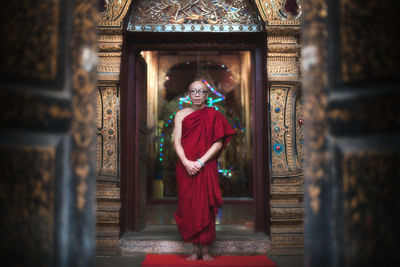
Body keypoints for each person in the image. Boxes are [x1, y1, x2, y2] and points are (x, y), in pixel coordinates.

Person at [173, 80, 235, 261]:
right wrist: (186, 162)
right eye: (194, 91)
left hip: (205, 166)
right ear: (189, 94)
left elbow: (218, 143)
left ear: (207, 95)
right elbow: (176, 141)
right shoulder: (181, 115)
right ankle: (194, 249)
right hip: (185, 167)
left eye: (201, 91)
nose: (197, 94)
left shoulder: (214, 115)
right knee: (188, 207)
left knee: (206, 207)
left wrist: (200, 162)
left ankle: (206, 250)